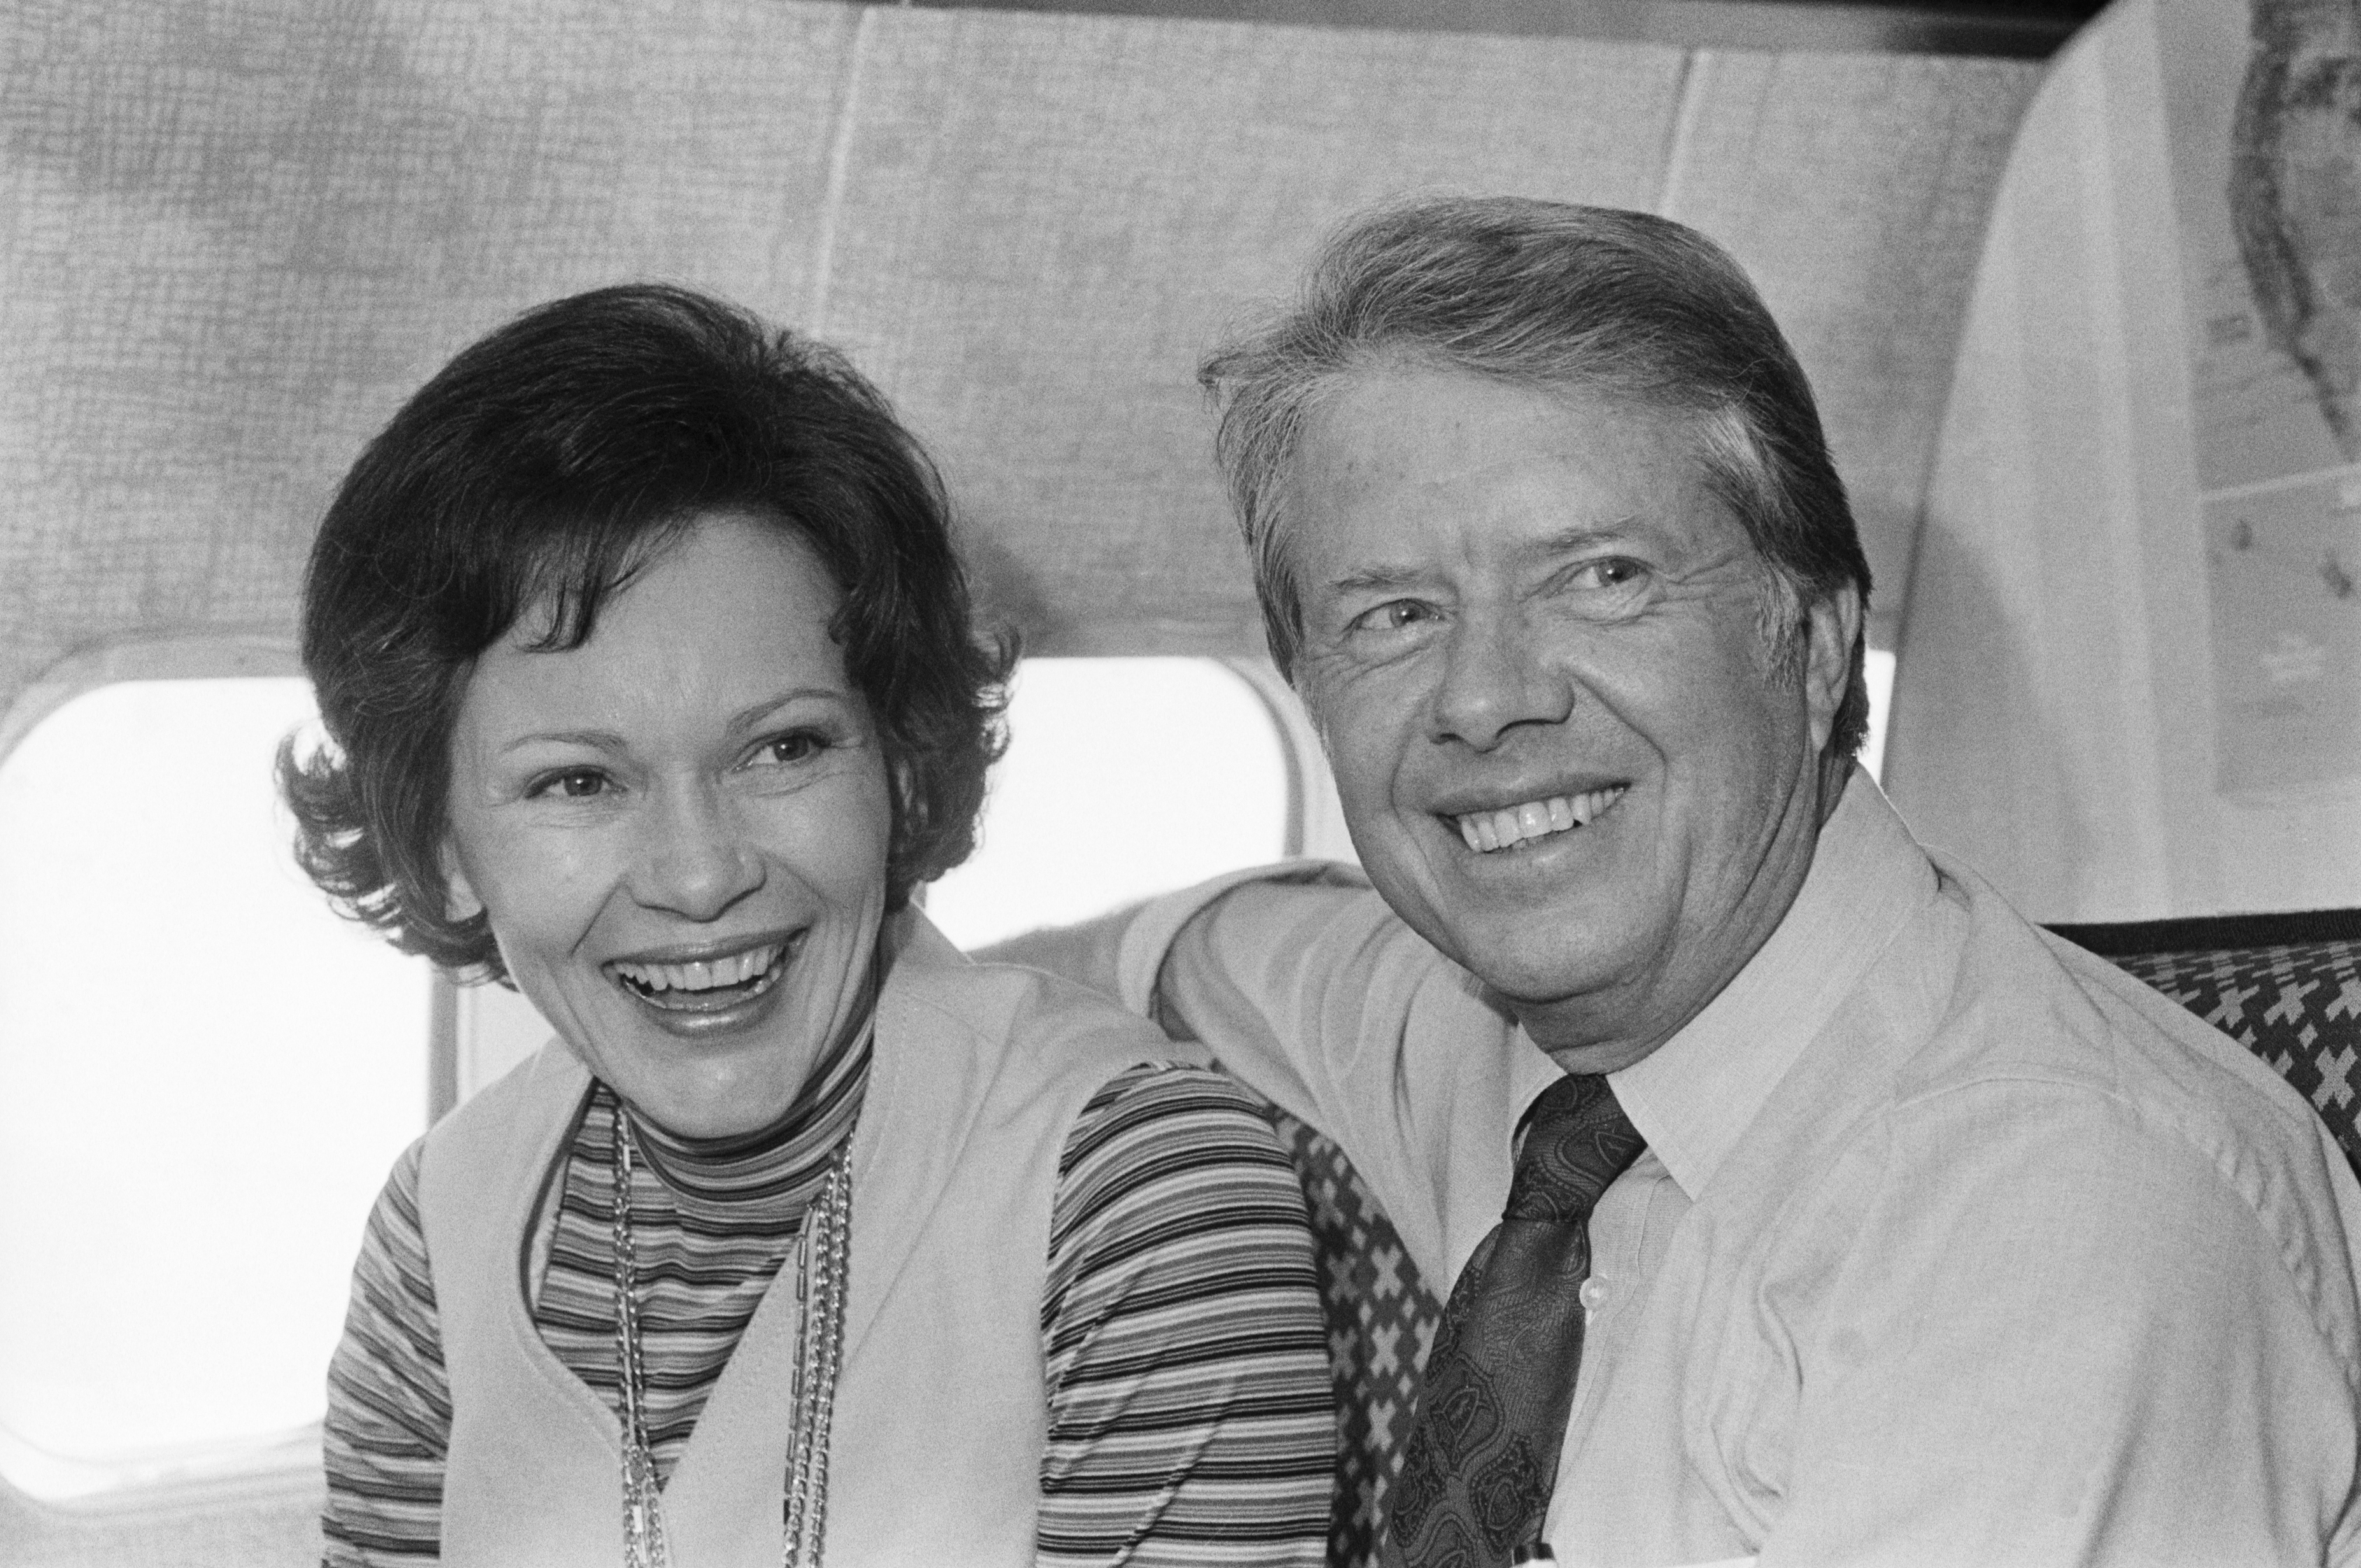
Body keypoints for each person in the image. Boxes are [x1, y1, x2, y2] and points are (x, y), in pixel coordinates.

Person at [1002, 197, 2361, 1566]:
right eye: (1395, 614)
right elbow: (1199, 948)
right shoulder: (1499, 1042)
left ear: (1817, 642)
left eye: (1602, 577)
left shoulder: (2053, 1215)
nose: (1484, 698)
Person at [285, 284, 1335, 1567]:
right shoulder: (440, 1233)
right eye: (578, 780)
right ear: (444, 845)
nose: (698, 872)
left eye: (783, 747)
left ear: (898, 768)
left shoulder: (1142, 1187)